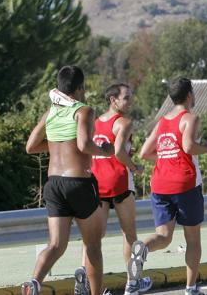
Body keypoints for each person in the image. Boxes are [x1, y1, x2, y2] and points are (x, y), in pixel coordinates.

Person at [23, 66, 114, 295]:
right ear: (80, 88)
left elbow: (31, 146)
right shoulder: (83, 111)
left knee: (55, 245)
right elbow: (84, 145)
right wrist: (105, 150)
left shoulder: (50, 112)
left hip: (54, 184)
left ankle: (34, 283)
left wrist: (57, 145)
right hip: (79, 183)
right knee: (93, 245)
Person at [128, 77, 207, 295]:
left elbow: (144, 153)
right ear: (189, 95)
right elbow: (188, 146)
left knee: (164, 236)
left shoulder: (162, 121)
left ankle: (143, 248)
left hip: (160, 184)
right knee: (193, 239)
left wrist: (166, 155)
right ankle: (191, 288)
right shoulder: (190, 118)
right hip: (185, 183)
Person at [78, 83, 152, 295]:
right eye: (127, 97)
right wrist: (134, 167)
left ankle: (87, 281)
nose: (131, 101)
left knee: (93, 238)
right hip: (119, 182)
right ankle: (132, 283)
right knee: (129, 234)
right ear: (113, 100)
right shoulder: (124, 123)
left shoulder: (94, 121)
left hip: (97, 183)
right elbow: (119, 151)